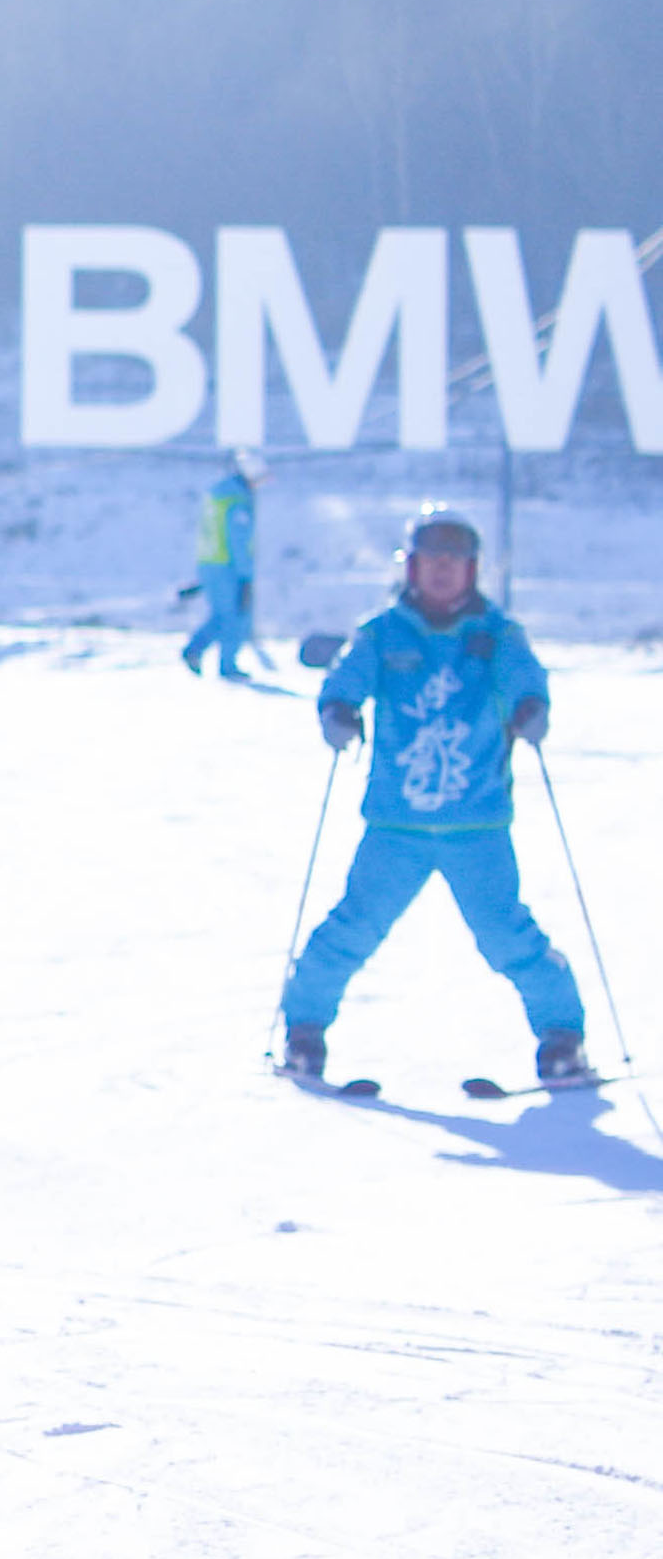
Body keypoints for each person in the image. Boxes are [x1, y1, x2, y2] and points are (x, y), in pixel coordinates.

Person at [282, 512, 594, 1087]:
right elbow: (346, 680)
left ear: (472, 571)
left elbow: (526, 679)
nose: (443, 573)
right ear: (413, 568)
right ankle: (303, 1029)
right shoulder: (383, 634)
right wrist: (338, 711)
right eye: (432, 562)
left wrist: (529, 708)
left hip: (476, 827)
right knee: (352, 928)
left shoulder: (495, 635)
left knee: (507, 935)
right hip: (395, 825)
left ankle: (562, 1036)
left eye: (455, 563)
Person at [179, 448, 265, 681]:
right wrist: (246, 574)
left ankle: (195, 650)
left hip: (210, 562)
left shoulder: (219, 495)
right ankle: (227, 664)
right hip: (228, 566)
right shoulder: (237, 502)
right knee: (234, 615)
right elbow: (238, 541)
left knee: (221, 615)